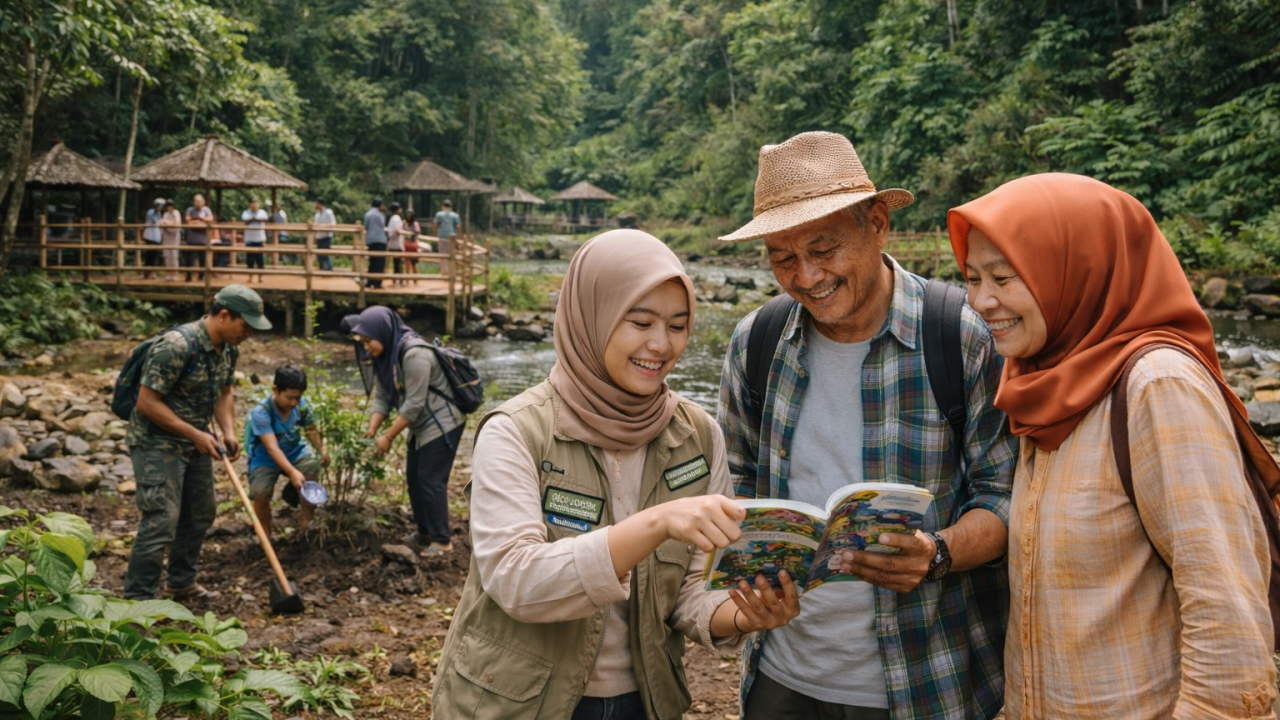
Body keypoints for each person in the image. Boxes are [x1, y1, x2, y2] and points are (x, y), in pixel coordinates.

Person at [432, 230, 801, 719]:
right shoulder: (517, 431)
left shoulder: (698, 435)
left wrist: (741, 614)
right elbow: (516, 580)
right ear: (593, 315)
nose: (660, 344)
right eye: (641, 321)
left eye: (677, 325)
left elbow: (692, 589)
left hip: (644, 701)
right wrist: (655, 523)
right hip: (515, 704)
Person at [949, 173, 1278, 719]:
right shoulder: (1043, 380)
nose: (982, 301)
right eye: (972, 277)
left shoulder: (1157, 385)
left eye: (1004, 278)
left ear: (1076, 271)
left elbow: (1227, 612)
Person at [716, 132, 1016, 720]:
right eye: (782, 257)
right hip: (783, 674)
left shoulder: (961, 336)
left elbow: (1007, 498)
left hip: (930, 676)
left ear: (877, 223)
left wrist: (937, 552)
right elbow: (736, 484)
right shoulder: (758, 342)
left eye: (824, 249)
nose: (806, 277)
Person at [123, 285, 273, 601]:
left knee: (200, 512)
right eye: (245, 326)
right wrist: (196, 434)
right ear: (223, 315)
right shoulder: (175, 347)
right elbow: (146, 402)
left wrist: (228, 431)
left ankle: (181, 582)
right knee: (161, 519)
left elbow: (224, 392)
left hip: (196, 441)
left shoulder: (230, 349)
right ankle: (138, 599)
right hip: (156, 441)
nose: (248, 333)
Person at [351, 306, 462, 555]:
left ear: (383, 331)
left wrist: (388, 436)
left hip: (443, 421)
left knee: (430, 480)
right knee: (413, 477)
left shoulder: (415, 354)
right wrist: (372, 430)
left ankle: (442, 541)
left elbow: (414, 403)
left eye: (369, 341)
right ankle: (424, 531)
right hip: (420, 423)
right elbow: (382, 397)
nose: (366, 347)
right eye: (363, 342)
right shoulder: (386, 356)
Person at [246, 364, 329, 536]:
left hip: (295, 452)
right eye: (289, 397)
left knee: (311, 469)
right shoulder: (261, 413)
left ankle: (306, 521)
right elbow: (272, 447)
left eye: (297, 398)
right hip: (265, 459)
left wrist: (322, 449)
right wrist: (292, 472)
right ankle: (264, 533)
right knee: (260, 494)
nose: (294, 403)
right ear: (275, 390)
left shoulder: (300, 406)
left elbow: (311, 429)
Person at [183, 193, 214, 282]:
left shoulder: (206, 210)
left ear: (203, 202)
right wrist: (201, 221)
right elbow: (188, 221)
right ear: (194, 202)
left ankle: (202, 276)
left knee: (203, 260)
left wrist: (196, 221)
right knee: (189, 260)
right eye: (196, 201)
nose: (198, 203)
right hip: (191, 240)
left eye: (200, 201)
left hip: (203, 240)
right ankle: (189, 276)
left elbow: (210, 219)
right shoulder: (190, 210)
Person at [241, 197, 269, 281]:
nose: (254, 204)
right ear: (250, 204)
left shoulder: (262, 212)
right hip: (249, 239)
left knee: (260, 259)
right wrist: (254, 219)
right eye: (253, 203)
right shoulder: (246, 212)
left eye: (256, 203)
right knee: (250, 259)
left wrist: (254, 219)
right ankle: (250, 277)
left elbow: (265, 220)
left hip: (260, 239)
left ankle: (261, 277)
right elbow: (245, 221)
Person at [363, 197, 387, 288]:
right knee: (380, 262)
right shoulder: (380, 215)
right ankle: (377, 283)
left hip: (371, 240)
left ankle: (370, 281)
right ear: (380, 205)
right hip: (380, 240)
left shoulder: (367, 214)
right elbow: (382, 226)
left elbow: (366, 226)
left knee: (372, 261)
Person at [432, 199, 460, 275]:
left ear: (442, 206)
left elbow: (435, 225)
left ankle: (444, 272)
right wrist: (458, 237)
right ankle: (451, 271)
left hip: (442, 237)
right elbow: (458, 226)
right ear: (450, 207)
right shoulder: (455, 215)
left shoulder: (439, 214)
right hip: (452, 238)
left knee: (442, 255)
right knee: (451, 255)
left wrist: (434, 234)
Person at [142, 198, 165, 280]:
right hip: (150, 236)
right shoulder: (151, 212)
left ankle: (150, 272)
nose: (161, 207)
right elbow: (154, 221)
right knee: (150, 255)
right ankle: (148, 272)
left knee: (154, 255)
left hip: (156, 236)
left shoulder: (159, 213)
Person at [312, 198, 336, 271]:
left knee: (325, 254)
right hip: (319, 236)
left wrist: (322, 226)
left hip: (326, 236)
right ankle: (321, 269)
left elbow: (333, 224)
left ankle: (329, 268)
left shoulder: (328, 212)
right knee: (319, 255)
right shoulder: (317, 214)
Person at [160, 200, 181, 278]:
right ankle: (169, 273)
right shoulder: (166, 214)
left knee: (174, 255)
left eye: (171, 206)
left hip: (174, 236)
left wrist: (167, 222)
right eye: (168, 206)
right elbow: (162, 222)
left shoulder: (176, 213)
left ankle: (175, 274)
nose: (169, 207)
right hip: (166, 235)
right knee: (167, 255)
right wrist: (168, 222)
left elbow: (176, 223)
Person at [386, 202, 405, 284]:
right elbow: (397, 230)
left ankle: (395, 280)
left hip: (393, 243)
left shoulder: (392, 218)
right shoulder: (396, 218)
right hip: (396, 244)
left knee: (395, 263)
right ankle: (399, 280)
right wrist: (402, 225)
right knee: (398, 263)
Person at [401, 210, 421, 280]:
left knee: (413, 263)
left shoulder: (415, 224)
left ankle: (415, 278)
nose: (409, 217)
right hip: (406, 243)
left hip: (413, 244)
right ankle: (407, 279)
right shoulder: (404, 223)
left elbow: (417, 233)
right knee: (406, 262)